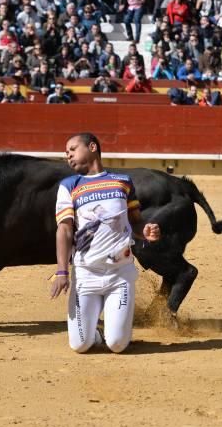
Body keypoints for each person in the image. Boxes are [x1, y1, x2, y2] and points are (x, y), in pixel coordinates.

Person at [51, 133, 161, 354]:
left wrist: (146, 230)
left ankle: (113, 332)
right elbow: (64, 228)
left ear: (92, 147)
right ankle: (97, 332)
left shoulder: (123, 181)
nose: (68, 155)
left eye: (72, 149)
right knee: (80, 345)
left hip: (120, 274)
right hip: (85, 273)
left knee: (117, 345)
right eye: (66, 153)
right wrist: (62, 271)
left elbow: (136, 222)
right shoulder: (69, 185)